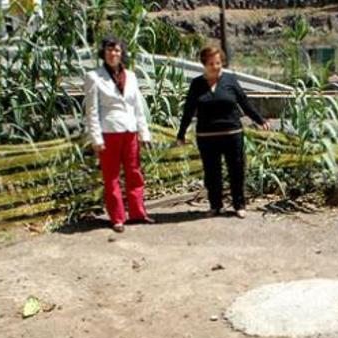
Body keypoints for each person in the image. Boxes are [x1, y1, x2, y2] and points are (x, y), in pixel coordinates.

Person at [176, 46, 269, 218]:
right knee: (212, 173)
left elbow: (244, 103)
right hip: (206, 137)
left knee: (236, 170)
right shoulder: (197, 84)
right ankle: (215, 205)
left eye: (218, 63)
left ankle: (239, 205)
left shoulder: (230, 80)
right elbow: (189, 110)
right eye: (211, 63)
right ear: (204, 64)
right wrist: (181, 133)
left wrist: (260, 120)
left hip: (232, 134)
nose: (215, 66)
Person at [84, 36, 154, 233]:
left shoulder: (131, 76)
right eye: (109, 50)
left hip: (130, 131)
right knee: (111, 176)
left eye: (116, 50)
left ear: (122, 53)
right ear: (103, 53)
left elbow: (137, 107)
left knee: (134, 173)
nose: (113, 54)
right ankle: (117, 218)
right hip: (109, 132)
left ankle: (138, 213)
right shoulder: (94, 77)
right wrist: (96, 138)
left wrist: (144, 132)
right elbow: (92, 111)